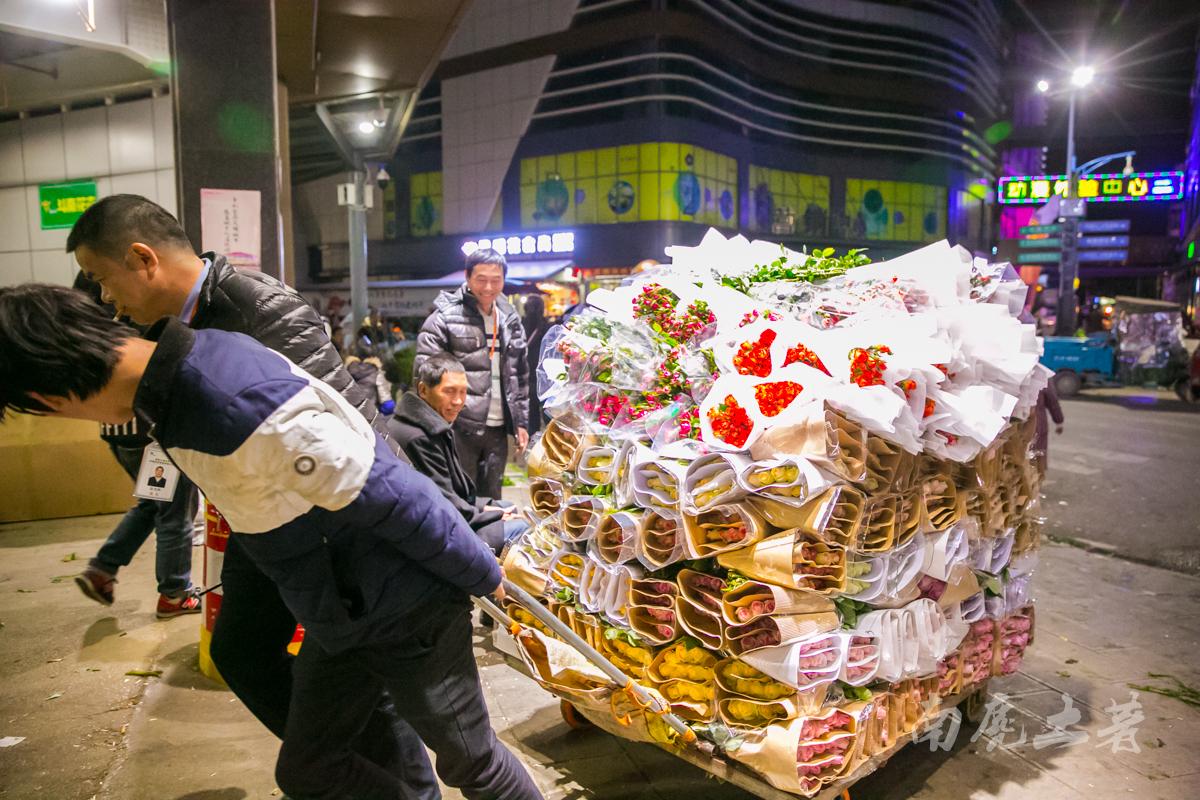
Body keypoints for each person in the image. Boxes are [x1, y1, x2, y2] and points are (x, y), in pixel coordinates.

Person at [0, 283, 543, 800]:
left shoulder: (230, 403)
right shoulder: (187, 371)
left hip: (406, 610)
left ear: (49, 396)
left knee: (471, 763)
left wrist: (485, 577)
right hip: (343, 612)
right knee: (310, 770)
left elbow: (395, 493)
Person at [63, 195, 436, 799]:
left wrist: (392, 535)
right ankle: (341, 770)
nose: (108, 299)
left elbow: (352, 425)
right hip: (263, 519)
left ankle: (390, 784)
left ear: (142, 258)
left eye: (104, 281)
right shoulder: (167, 325)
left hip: (325, 525)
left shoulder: (255, 305)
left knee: (354, 671)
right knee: (240, 650)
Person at [70, 271, 203, 618]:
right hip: (152, 435)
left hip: (120, 434)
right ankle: (175, 594)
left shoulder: (90, 333)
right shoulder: (134, 321)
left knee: (153, 502)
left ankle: (102, 569)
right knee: (175, 513)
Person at [416, 249, 529, 499]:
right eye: (481, 279)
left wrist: (520, 421)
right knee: (457, 498)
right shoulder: (444, 318)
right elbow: (424, 374)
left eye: (496, 280)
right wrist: (434, 425)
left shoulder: (510, 318)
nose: (488, 287)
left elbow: (519, 374)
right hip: (458, 426)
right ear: (467, 277)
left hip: (498, 428)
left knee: (492, 497)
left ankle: (489, 540)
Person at [390, 354, 529, 556]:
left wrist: (486, 509)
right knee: (522, 526)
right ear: (423, 390)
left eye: (463, 392)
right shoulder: (419, 436)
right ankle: (488, 579)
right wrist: (489, 516)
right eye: (449, 391)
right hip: (437, 533)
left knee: (508, 507)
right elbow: (444, 507)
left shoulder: (429, 423)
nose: (458, 401)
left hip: (451, 515)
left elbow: (453, 495)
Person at [522, 295, 551, 435]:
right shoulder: (548, 327)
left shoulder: (521, 327)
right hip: (546, 376)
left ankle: (532, 442)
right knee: (548, 413)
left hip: (527, 375)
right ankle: (550, 441)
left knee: (532, 412)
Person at [1034, 380, 1064, 480]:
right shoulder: (1041, 374)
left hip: (1017, 424)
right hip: (1037, 423)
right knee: (1038, 453)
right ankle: (1035, 485)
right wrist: (1058, 421)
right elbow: (1052, 400)